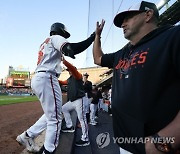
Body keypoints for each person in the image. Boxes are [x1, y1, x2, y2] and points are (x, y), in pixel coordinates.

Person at [93, 1, 180, 154]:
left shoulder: (172, 36)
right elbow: (98, 58)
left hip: (158, 145)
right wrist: (97, 36)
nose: (123, 24)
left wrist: (163, 141)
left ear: (148, 15)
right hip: (126, 143)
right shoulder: (123, 52)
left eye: (128, 18)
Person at [16, 22, 95, 154]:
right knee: (56, 119)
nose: (65, 37)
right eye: (64, 34)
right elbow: (71, 49)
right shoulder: (56, 38)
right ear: (59, 32)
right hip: (47, 77)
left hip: (39, 78)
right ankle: (48, 151)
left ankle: (27, 136)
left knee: (50, 115)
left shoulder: (44, 43)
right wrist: (92, 38)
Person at [59, 57, 90, 147]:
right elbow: (62, 82)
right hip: (73, 101)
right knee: (64, 108)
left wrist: (64, 61)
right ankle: (70, 126)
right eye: (68, 70)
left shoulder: (78, 75)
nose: (69, 71)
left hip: (80, 100)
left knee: (82, 118)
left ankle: (85, 139)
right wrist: (54, 79)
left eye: (70, 69)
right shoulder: (70, 79)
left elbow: (72, 68)